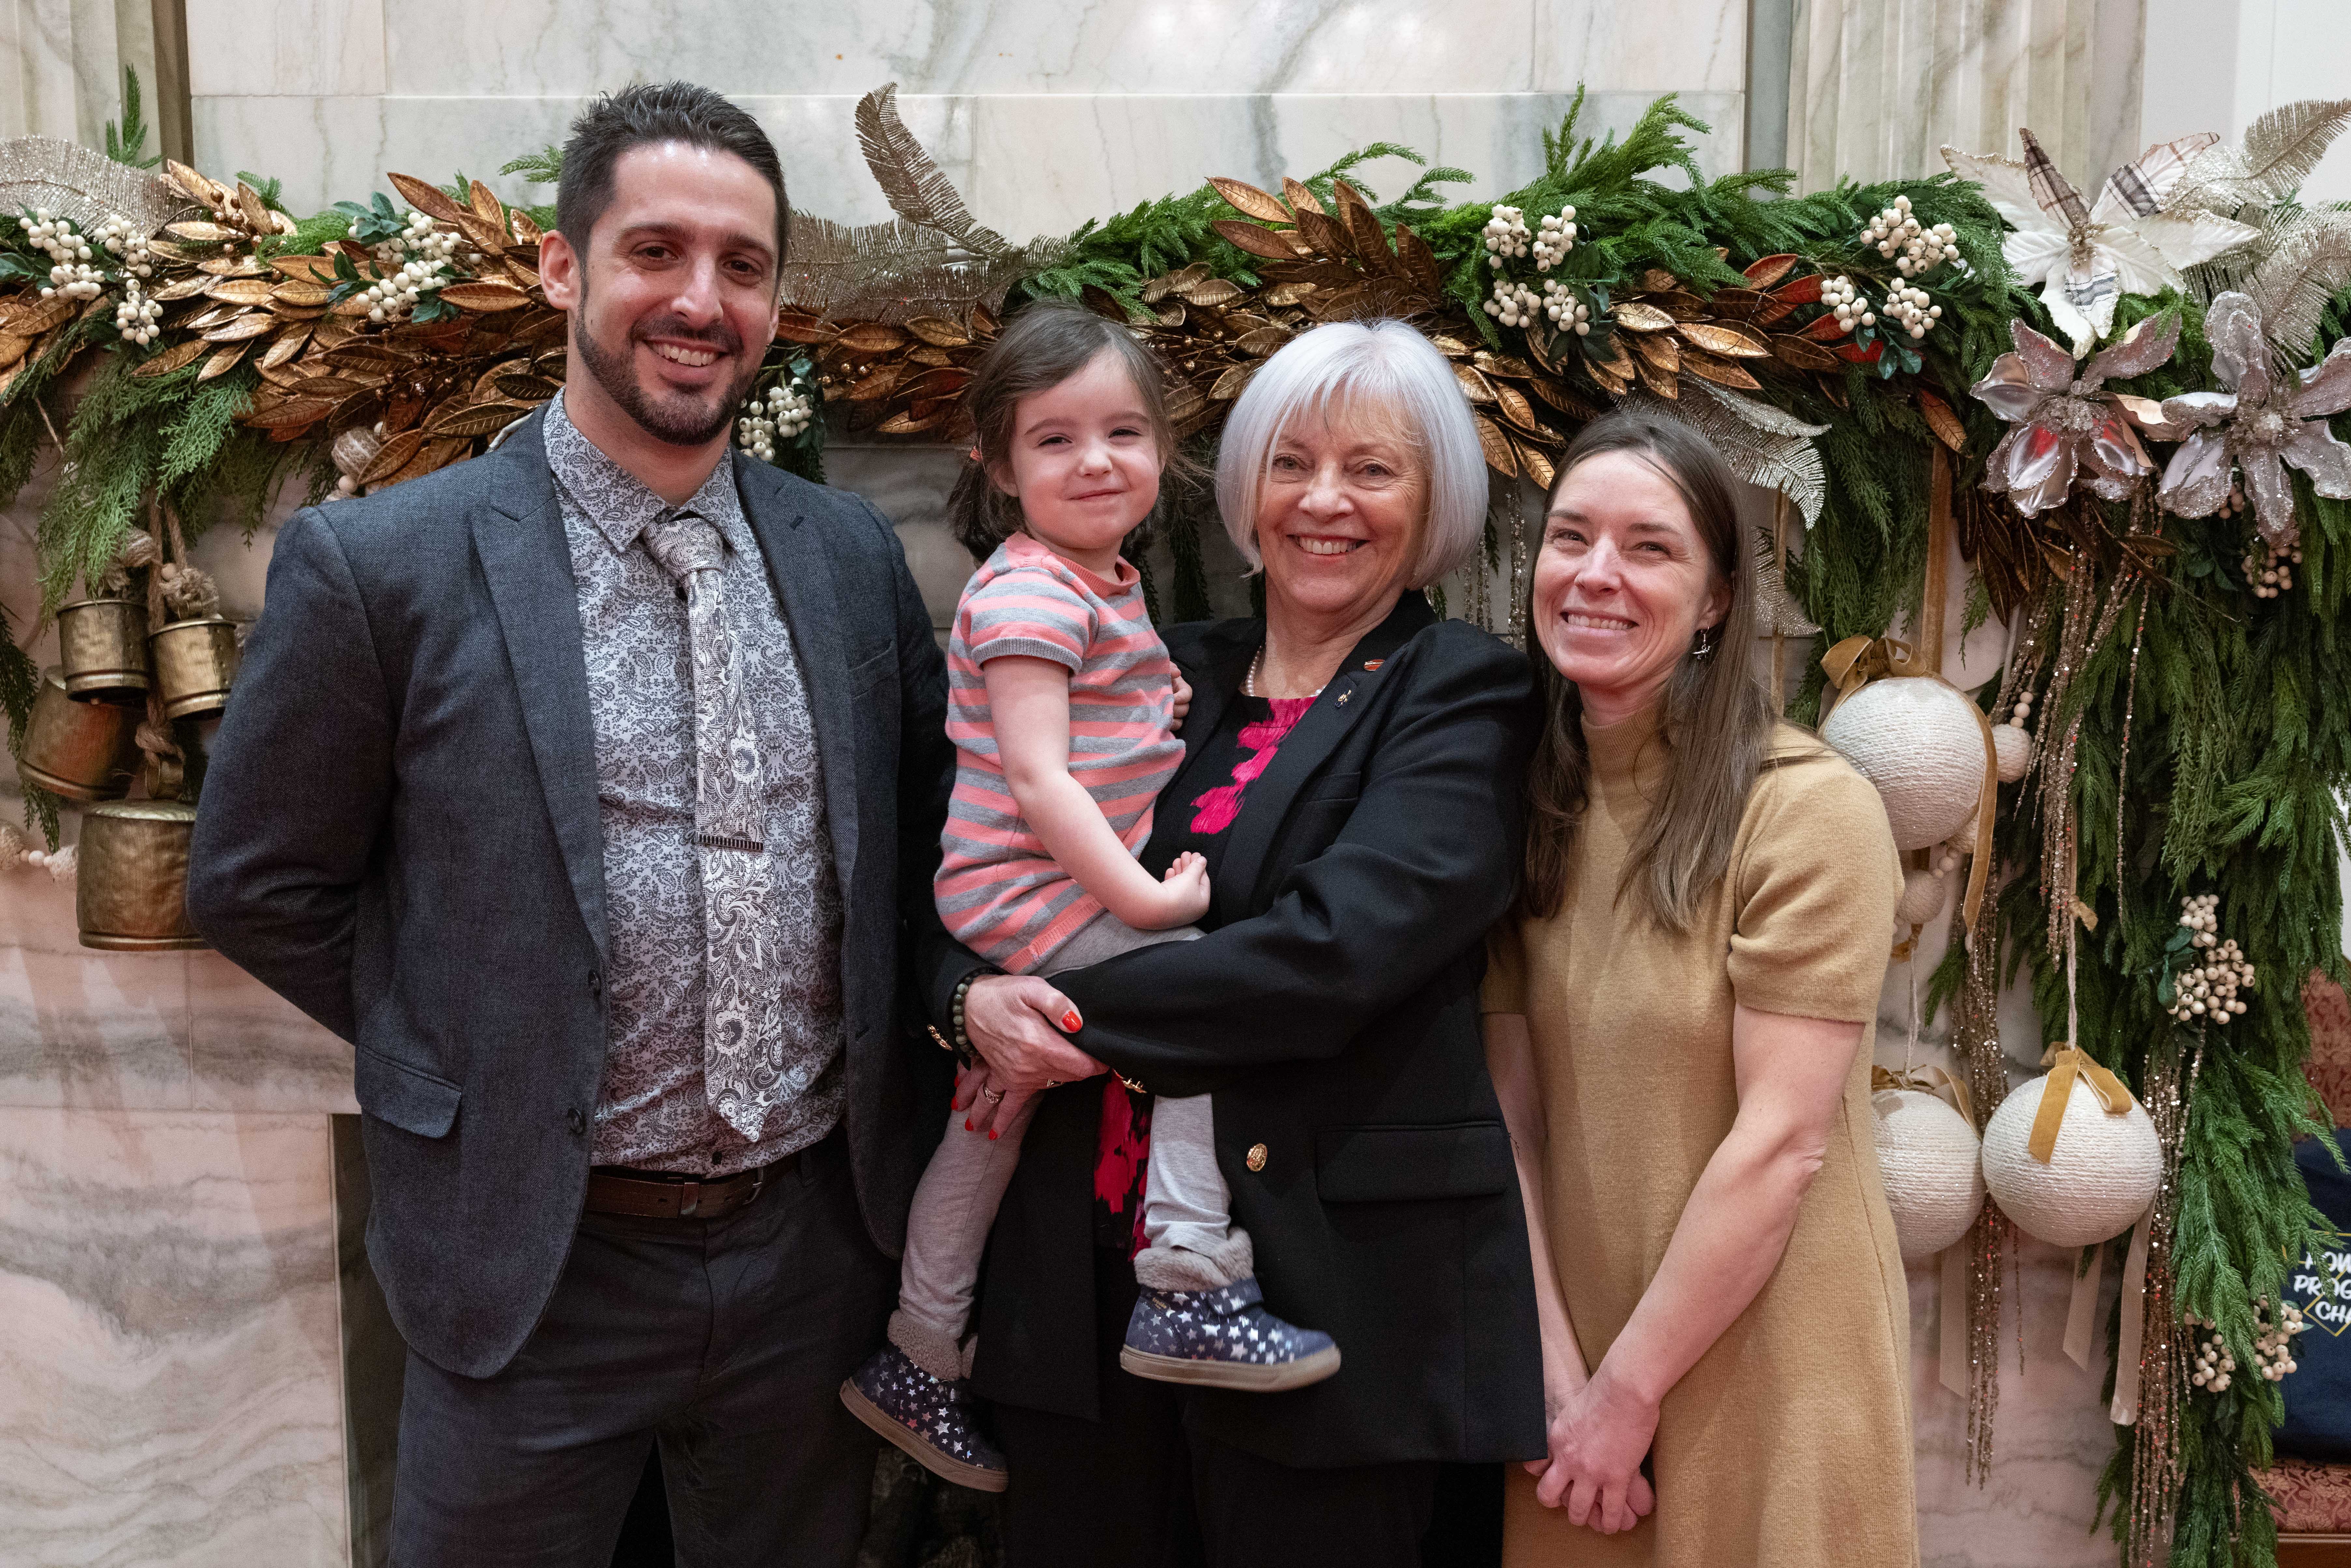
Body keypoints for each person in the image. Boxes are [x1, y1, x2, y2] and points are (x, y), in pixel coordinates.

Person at [188, 83, 974, 1568]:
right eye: (654, 252)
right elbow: (254, 879)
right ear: (564, 269)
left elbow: (926, 847)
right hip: (531, 1261)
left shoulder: (847, 557)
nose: (701, 300)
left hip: (807, 1252)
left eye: (742, 266)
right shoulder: (385, 566)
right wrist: (468, 1039)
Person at [935, 318, 1544, 1567]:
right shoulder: (1158, 664)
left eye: (1372, 470)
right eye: (1291, 463)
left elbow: (1334, 956)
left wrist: (1057, 1022)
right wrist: (962, 1003)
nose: (1324, 502)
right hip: (1080, 1283)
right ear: (1241, 486)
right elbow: (981, 840)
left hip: (1318, 1303)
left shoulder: (1461, 691)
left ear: (1432, 501)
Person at [840, 300, 1340, 1495]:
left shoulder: (1097, 585)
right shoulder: (1026, 595)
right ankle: (1187, 1277)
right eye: (1054, 439)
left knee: (991, 1110)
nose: (1095, 461)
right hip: (1025, 888)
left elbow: (1106, 727)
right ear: (998, 464)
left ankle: (918, 1348)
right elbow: (1034, 777)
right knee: (1188, 1017)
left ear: (1163, 454)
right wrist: (1152, 910)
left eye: (1122, 431)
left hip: (1027, 892)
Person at [1480, 411, 1912, 1566]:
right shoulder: (1525, 810)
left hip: (1765, 1358)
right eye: (1570, 538)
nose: (1596, 575)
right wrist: (1553, 1376)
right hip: (1574, 1383)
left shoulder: (1805, 808)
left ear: (1719, 597)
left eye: (1649, 547)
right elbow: (1509, 1120)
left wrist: (1626, 1396)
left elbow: (1781, 1145)